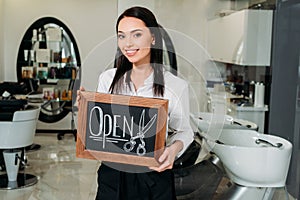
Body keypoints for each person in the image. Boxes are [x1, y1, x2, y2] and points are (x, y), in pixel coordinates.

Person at [77, 6, 194, 200]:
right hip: (112, 176)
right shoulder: (108, 79)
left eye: (136, 34)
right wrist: (87, 111)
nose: (128, 44)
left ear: (153, 37)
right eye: (121, 36)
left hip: (154, 176)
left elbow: (184, 130)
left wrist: (173, 149)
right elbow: (101, 129)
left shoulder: (176, 85)